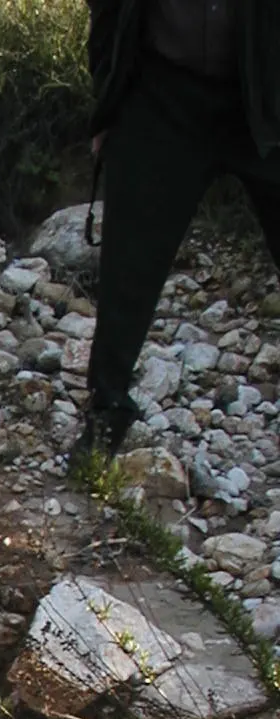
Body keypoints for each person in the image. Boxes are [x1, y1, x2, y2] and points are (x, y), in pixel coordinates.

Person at [72, 0, 280, 473]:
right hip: (163, 93)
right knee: (128, 264)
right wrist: (106, 100)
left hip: (268, 92)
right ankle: (105, 416)